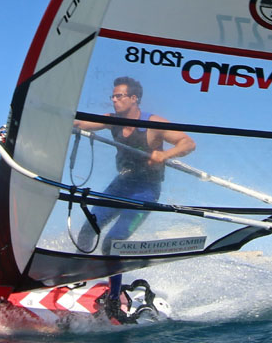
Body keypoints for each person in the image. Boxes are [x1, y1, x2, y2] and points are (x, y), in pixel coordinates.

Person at [72, 76, 195, 321]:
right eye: (113, 96)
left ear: (133, 98)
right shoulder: (112, 121)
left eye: (119, 96)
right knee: (88, 231)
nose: (114, 100)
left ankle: (114, 299)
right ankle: (77, 279)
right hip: (121, 184)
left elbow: (188, 142)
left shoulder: (153, 124)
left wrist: (165, 154)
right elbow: (80, 123)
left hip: (145, 190)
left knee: (113, 242)